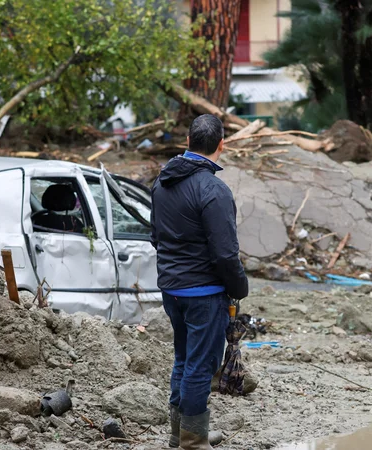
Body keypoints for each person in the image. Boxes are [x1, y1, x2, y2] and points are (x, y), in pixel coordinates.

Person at [150, 114, 249, 449]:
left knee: (183, 358)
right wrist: (240, 287)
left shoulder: (161, 183)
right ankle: (193, 440)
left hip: (172, 290)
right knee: (200, 365)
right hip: (204, 293)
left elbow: (155, 237)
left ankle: (181, 433)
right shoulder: (214, 190)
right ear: (222, 146)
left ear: (187, 142)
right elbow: (225, 254)